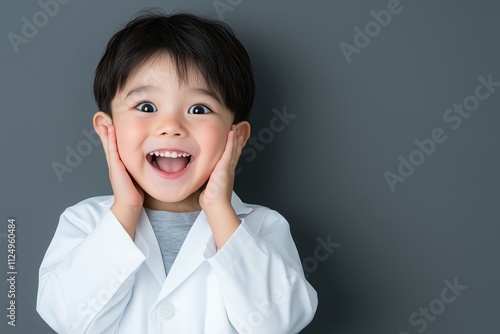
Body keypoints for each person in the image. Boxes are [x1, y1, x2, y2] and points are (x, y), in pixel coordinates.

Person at [37, 10, 317, 333]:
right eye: (146, 107)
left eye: (199, 109)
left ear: (236, 137)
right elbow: (68, 319)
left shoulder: (264, 227)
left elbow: (279, 323)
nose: (170, 126)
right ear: (106, 130)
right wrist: (125, 210)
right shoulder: (83, 223)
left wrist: (220, 210)